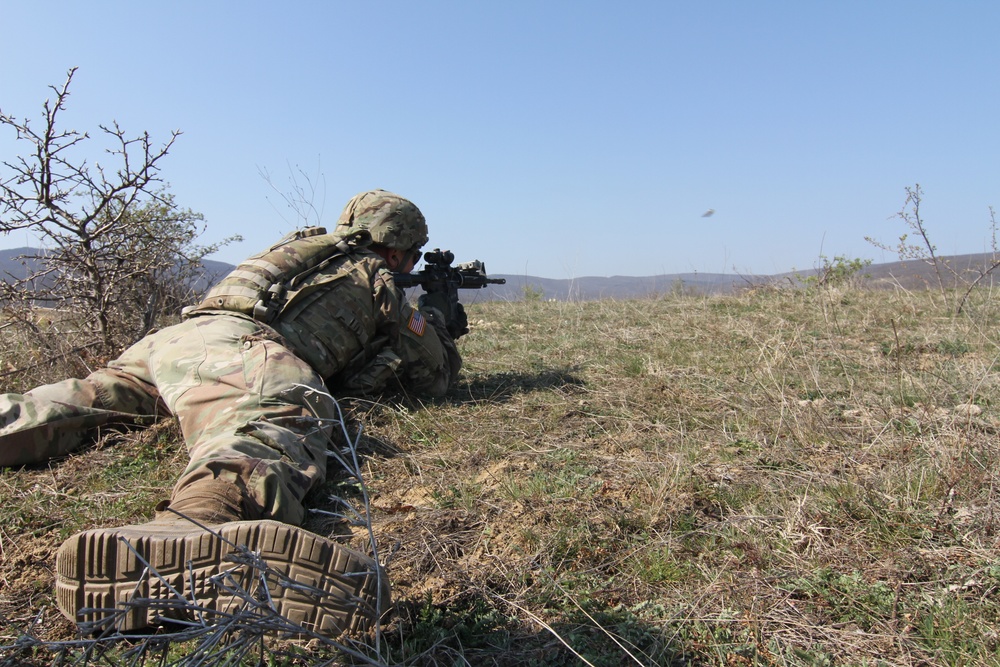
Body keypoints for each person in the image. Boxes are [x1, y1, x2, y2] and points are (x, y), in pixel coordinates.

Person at [0, 190, 463, 636]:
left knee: (75, 403)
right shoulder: (376, 275)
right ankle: (198, 520)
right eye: (413, 256)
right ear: (399, 251)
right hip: (237, 349)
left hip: (173, 342)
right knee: (280, 415)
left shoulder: (301, 248)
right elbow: (434, 377)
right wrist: (436, 317)